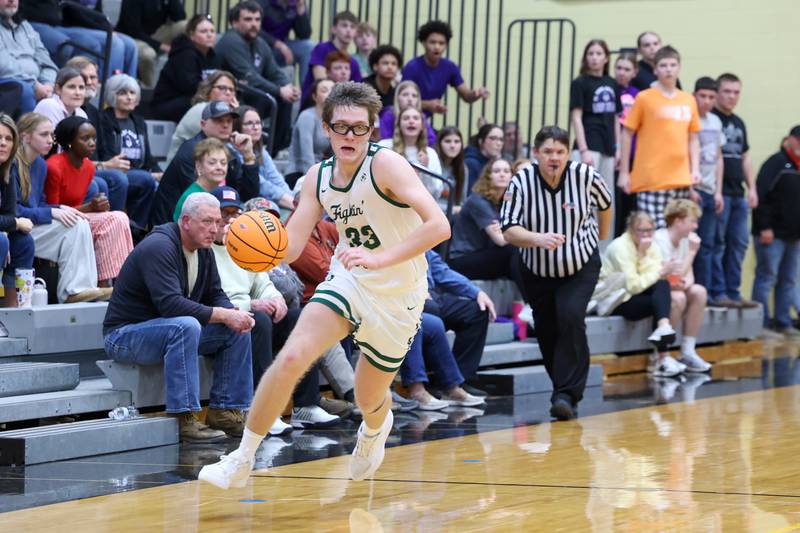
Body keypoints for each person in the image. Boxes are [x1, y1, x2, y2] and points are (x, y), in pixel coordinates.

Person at [198, 81, 450, 488]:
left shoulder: (388, 165)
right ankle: (242, 458)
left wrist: (380, 257)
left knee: (368, 397)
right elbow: (290, 245)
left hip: (399, 289)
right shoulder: (318, 178)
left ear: (372, 131)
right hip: (349, 278)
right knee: (294, 356)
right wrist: (245, 240)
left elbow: (440, 225)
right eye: (341, 127)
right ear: (326, 129)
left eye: (359, 128)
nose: (349, 136)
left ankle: (374, 429)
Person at [103, 192, 255, 442]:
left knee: (235, 327)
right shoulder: (159, 246)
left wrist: (232, 313)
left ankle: (225, 410)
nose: (214, 228)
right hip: (124, 335)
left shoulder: (204, 250)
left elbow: (215, 293)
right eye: (207, 221)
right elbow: (170, 305)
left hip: (166, 330)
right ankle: (184, 417)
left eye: (217, 222)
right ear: (185, 221)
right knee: (186, 325)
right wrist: (222, 314)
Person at [501, 126, 612, 420]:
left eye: (560, 151)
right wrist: (537, 238)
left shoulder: (585, 176)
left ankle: (566, 394)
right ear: (536, 153)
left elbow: (606, 204)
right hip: (536, 268)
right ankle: (561, 390)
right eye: (548, 151)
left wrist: (601, 235)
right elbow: (509, 230)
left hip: (580, 264)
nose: (554, 158)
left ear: (568, 153)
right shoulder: (521, 181)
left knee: (571, 316)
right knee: (547, 329)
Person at [211, 186, 338, 431]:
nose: (229, 220)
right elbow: (212, 297)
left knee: (299, 317)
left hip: (250, 314)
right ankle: (262, 411)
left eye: (234, 213)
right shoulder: (206, 250)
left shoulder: (245, 245)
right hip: (226, 319)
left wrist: (276, 298)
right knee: (259, 320)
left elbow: (263, 282)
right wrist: (252, 304)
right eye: (223, 214)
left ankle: (306, 406)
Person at [13, 112, 109, 303]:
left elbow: (38, 204)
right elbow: (15, 211)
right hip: (16, 229)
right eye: (44, 135)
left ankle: (83, 289)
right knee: (74, 226)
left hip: (32, 226)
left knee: (79, 221)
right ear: (25, 136)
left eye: (52, 135)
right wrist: (52, 211)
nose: (50, 140)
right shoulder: (14, 163)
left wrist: (61, 207)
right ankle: (73, 291)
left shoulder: (39, 164)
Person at [618, 46, 700, 229]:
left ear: (679, 67)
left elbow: (693, 138)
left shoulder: (688, 100)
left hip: (681, 178)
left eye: (673, 64)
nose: (668, 69)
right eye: (663, 65)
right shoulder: (644, 98)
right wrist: (624, 172)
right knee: (652, 233)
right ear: (655, 69)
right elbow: (627, 133)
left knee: (679, 233)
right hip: (651, 179)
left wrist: (695, 169)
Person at [45, 116, 133, 284]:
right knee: (114, 219)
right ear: (69, 142)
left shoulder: (88, 167)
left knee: (121, 217)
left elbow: (77, 207)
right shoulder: (54, 167)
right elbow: (53, 210)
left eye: (94, 138)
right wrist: (90, 207)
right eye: (85, 139)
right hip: (58, 222)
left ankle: (118, 282)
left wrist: (95, 207)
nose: (92, 143)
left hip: (77, 220)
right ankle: (104, 282)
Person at [152, 100, 260, 227]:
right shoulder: (192, 151)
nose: (225, 125)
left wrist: (248, 156)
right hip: (172, 228)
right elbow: (199, 203)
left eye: (229, 121)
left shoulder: (228, 151)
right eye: (219, 120)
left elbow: (248, 196)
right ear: (203, 124)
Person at [601, 211, 682, 377]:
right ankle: (663, 355)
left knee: (663, 288)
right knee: (662, 289)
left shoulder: (652, 246)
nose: (646, 235)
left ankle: (663, 337)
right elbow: (633, 285)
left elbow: (652, 278)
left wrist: (643, 256)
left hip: (635, 295)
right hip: (616, 301)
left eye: (650, 230)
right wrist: (647, 260)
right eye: (641, 230)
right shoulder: (619, 247)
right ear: (631, 230)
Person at [216, 0, 299, 152]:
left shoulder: (259, 42)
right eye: (248, 19)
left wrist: (287, 86)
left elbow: (274, 71)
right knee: (271, 97)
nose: (254, 24)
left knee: (284, 98)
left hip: (251, 94)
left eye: (257, 19)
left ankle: (275, 150)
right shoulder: (231, 41)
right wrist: (279, 90)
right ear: (234, 23)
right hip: (232, 97)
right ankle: (255, 149)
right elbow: (249, 77)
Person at [711, 73, 760, 309]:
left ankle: (734, 291)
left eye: (736, 92)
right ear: (718, 92)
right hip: (718, 193)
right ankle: (718, 292)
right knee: (718, 244)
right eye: (727, 91)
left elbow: (745, 157)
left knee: (739, 243)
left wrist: (752, 189)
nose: (732, 97)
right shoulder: (710, 119)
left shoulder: (739, 122)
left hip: (738, 194)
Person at [448, 158, 525, 296]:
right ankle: (528, 303)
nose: (502, 174)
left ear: (512, 176)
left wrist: (507, 229)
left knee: (526, 255)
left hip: (485, 255)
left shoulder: (503, 202)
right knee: (513, 249)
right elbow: (500, 240)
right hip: (462, 260)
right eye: (496, 171)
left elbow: (507, 233)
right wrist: (516, 231)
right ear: (488, 176)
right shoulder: (478, 200)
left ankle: (529, 304)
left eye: (506, 171)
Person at [751, 126, 800, 337]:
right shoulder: (776, 163)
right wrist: (765, 227)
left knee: (788, 279)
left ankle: (783, 321)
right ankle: (761, 324)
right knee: (767, 277)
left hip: (794, 235)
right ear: (789, 140)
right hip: (772, 234)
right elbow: (761, 196)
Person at [425, 250, 495, 396]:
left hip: (432, 295)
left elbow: (443, 272)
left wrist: (477, 292)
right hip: (408, 299)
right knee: (431, 310)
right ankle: (430, 381)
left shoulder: (423, 241)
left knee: (477, 311)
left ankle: (462, 379)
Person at [653, 199, 712, 373]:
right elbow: (669, 280)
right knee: (678, 298)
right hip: (656, 290)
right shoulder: (659, 240)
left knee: (699, 292)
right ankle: (662, 354)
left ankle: (687, 350)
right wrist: (693, 252)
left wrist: (684, 281)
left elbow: (688, 276)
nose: (695, 226)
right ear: (678, 221)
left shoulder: (686, 240)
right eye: (692, 221)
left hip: (675, 285)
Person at [570, 38, 621, 235]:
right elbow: (576, 117)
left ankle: (604, 252)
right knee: (584, 198)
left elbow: (616, 118)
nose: (594, 58)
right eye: (590, 54)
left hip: (608, 148)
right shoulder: (580, 83)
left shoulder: (611, 83)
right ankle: (581, 244)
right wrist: (583, 150)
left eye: (598, 54)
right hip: (588, 147)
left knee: (606, 201)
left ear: (606, 58)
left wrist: (618, 149)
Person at [97, 74, 159, 229]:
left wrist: (160, 172)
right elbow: (106, 154)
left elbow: (149, 157)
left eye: (132, 93)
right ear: (112, 95)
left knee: (162, 183)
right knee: (146, 180)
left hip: (139, 172)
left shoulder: (138, 121)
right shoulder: (103, 119)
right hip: (116, 171)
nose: (129, 97)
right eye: (122, 93)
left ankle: (146, 230)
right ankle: (129, 228)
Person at [22, 0, 139, 78]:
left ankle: (124, 89)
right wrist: (105, 29)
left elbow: (97, 13)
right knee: (98, 43)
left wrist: (106, 29)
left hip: (58, 25)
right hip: (39, 23)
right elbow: (73, 13)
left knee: (130, 44)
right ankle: (91, 87)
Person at [401, 20, 489, 116]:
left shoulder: (450, 67)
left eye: (441, 43)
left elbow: (466, 96)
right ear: (424, 43)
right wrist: (427, 105)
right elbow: (401, 100)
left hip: (423, 120)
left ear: (446, 45)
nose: (437, 47)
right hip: (405, 117)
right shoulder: (412, 67)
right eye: (432, 42)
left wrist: (476, 93)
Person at [151, 14, 221, 122]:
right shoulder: (185, 55)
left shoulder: (212, 56)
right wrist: (216, 90)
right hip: (167, 104)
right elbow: (190, 87)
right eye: (203, 31)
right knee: (205, 104)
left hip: (189, 100)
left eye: (212, 31)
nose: (209, 35)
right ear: (191, 35)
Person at [691, 77, 726, 294]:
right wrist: (689, 187)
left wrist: (719, 191)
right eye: (702, 96)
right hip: (693, 190)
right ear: (694, 95)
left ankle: (704, 293)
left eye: (711, 97)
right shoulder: (689, 118)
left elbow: (719, 158)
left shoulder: (715, 121)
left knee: (708, 245)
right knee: (690, 244)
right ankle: (690, 288)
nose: (706, 101)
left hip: (712, 191)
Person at [166, 71, 240, 164]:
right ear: (208, 89)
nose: (228, 93)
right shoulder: (201, 109)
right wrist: (237, 113)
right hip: (184, 169)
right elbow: (229, 139)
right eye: (222, 88)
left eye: (231, 90)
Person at [0, 113, 34, 307]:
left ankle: (14, 312)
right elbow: (13, 219)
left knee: (23, 242)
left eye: (8, 138)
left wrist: (9, 225)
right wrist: (12, 224)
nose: (3, 143)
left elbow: (10, 212)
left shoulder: (8, 167)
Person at [0, 0, 57, 114]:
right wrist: (33, 84)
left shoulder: (26, 26)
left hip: (37, 84)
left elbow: (48, 63)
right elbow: (3, 66)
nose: (11, 0)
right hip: (8, 82)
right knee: (25, 91)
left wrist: (48, 84)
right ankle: (28, 131)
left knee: (68, 90)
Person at [115, 0, 186, 88]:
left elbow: (180, 17)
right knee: (148, 55)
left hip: (155, 34)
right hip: (132, 37)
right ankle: (149, 89)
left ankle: (185, 73)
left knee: (185, 26)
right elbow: (133, 29)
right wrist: (159, 45)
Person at [378, 106, 443, 200]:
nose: (411, 121)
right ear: (399, 125)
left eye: (416, 118)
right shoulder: (384, 146)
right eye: (406, 118)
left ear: (422, 126)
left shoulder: (430, 153)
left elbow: (435, 193)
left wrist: (425, 169)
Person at [234, 105, 292, 209]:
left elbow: (276, 179)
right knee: (272, 207)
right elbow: (263, 185)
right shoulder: (235, 152)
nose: (256, 127)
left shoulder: (261, 151)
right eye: (249, 123)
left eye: (258, 123)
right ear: (238, 127)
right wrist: (291, 202)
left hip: (265, 198)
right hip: (241, 203)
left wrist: (291, 197)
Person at [301, 10, 362, 102]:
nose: (348, 30)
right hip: (314, 104)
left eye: (352, 27)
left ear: (355, 32)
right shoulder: (322, 49)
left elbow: (358, 91)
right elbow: (321, 82)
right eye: (344, 25)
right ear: (333, 29)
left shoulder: (353, 62)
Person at [286, 78, 333, 187]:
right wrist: (314, 183)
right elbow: (306, 156)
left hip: (322, 172)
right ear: (314, 97)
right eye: (324, 90)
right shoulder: (307, 117)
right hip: (300, 174)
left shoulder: (334, 119)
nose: (330, 94)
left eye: (333, 90)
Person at [613, 51, 639, 236]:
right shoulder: (609, 90)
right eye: (619, 68)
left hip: (634, 156)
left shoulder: (638, 95)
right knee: (615, 203)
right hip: (615, 155)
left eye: (627, 69)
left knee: (630, 206)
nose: (622, 72)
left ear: (634, 72)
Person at [172, 138, 228, 221]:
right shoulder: (193, 197)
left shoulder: (221, 191)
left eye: (223, 163)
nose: (219, 167)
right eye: (212, 163)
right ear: (198, 166)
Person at [258, 0, 314, 83]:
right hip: (261, 46)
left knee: (308, 47)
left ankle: (306, 92)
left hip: (284, 45)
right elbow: (255, 30)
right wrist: (278, 44)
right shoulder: (261, 3)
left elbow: (304, 35)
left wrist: (301, 8)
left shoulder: (294, 4)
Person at [378, 80, 435, 146]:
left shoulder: (421, 116)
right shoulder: (389, 115)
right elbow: (385, 138)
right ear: (397, 97)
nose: (410, 99)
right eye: (405, 95)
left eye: (414, 96)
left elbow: (430, 139)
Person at [435, 126, 467, 212]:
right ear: (439, 143)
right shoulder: (433, 163)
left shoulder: (463, 168)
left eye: (457, 142)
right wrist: (451, 209)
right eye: (447, 141)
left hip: (452, 217)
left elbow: (461, 201)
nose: (453, 146)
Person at [464, 123, 504, 190]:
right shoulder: (471, 163)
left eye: (501, 139)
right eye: (493, 138)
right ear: (480, 141)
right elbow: (472, 194)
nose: (498, 143)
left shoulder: (499, 162)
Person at [363, 45, 401, 112]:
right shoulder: (365, 87)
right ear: (375, 66)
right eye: (385, 63)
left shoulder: (394, 92)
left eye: (394, 64)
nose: (390, 67)